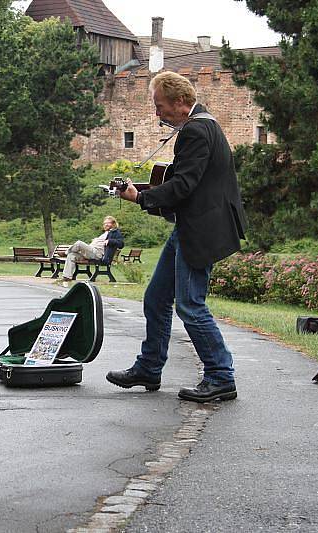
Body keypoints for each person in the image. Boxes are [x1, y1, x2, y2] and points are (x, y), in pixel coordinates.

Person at [105, 71, 247, 403]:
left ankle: (220, 376)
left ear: (181, 103)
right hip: (191, 226)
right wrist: (144, 192)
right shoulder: (199, 124)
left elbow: (183, 186)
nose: (157, 114)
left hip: (200, 230)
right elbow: (187, 183)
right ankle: (150, 367)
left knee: (190, 305)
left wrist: (139, 197)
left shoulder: (196, 130)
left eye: (160, 106)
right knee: (156, 298)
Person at [61, 216, 123, 283]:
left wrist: (110, 241)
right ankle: (67, 277)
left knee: (79, 243)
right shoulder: (105, 233)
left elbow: (121, 244)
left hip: (98, 254)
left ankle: (65, 252)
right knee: (71, 255)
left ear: (113, 224)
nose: (106, 225)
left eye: (108, 223)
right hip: (90, 253)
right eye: (104, 223)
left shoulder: (115, 232)